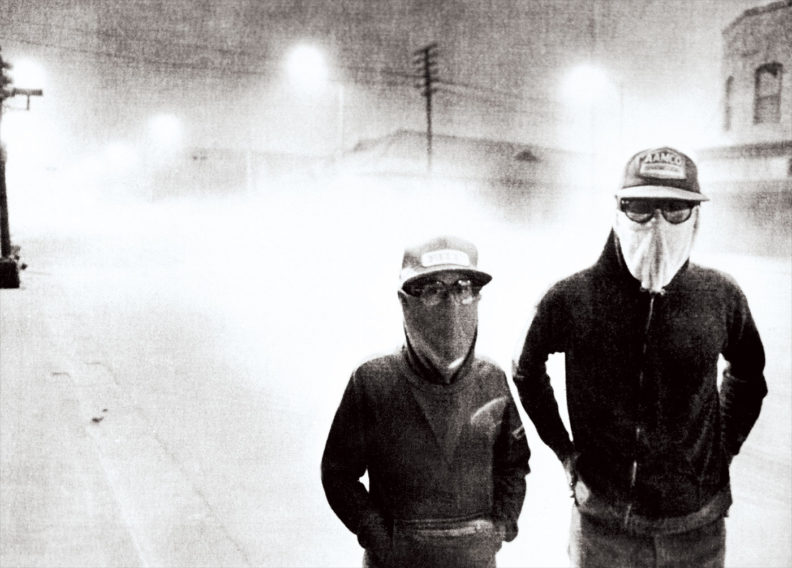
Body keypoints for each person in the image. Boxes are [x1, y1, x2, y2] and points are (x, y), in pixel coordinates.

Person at [513, 147, 767, 568]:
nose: (657, 224)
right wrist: (564, 451)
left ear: (696, 217)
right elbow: (526, 370)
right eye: (641, 208)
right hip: (604, 527)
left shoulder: (720, 295)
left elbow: (748, 373)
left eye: (675, 210)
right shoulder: (572, 297)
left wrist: (722, 449)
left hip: (698, 527)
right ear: (617, 211)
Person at [321, 235, 531, 568]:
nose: (451, 305)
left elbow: (514, 464)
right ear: (406, 302)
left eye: (463, 288)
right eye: (433, 290)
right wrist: (378, 535)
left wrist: (501, 525)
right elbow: (338, 474)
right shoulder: (373, 381)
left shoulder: (491, 380)